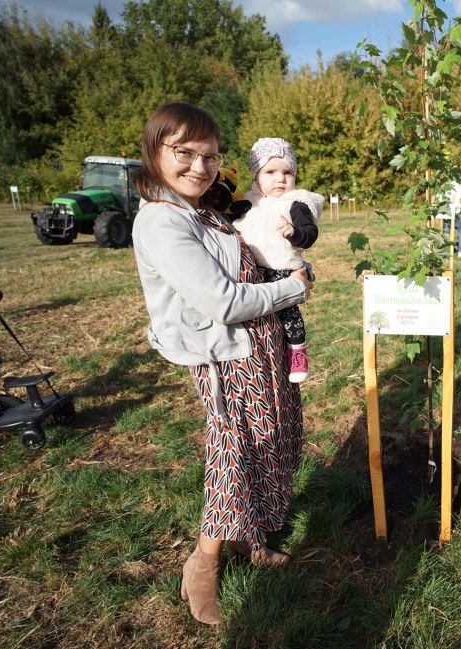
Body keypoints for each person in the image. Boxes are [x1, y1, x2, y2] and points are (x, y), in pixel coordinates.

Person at [131, 103, 313, 625]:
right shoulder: (162, 221)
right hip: (224, 354)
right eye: (184, 153)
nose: (198, 166)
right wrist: (293, 287)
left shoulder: (203, 209)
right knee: (234, 453)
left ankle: (248, 541)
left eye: (209, 156)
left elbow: (249, 255)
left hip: (262, 344)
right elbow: (224, 302)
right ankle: (203, 563)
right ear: (155, 151)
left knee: (271, 440)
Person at [235, 137, 322, 383]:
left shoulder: (294, 203)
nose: (280, 179)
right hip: (252, 271)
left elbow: (309, 234)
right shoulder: (247, 202)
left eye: (287, 172)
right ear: (256, 175)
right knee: (261, 319)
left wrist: (294, 234)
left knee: (289, 316)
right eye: (270, 171)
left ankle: (298, 352)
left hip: (283, 270)